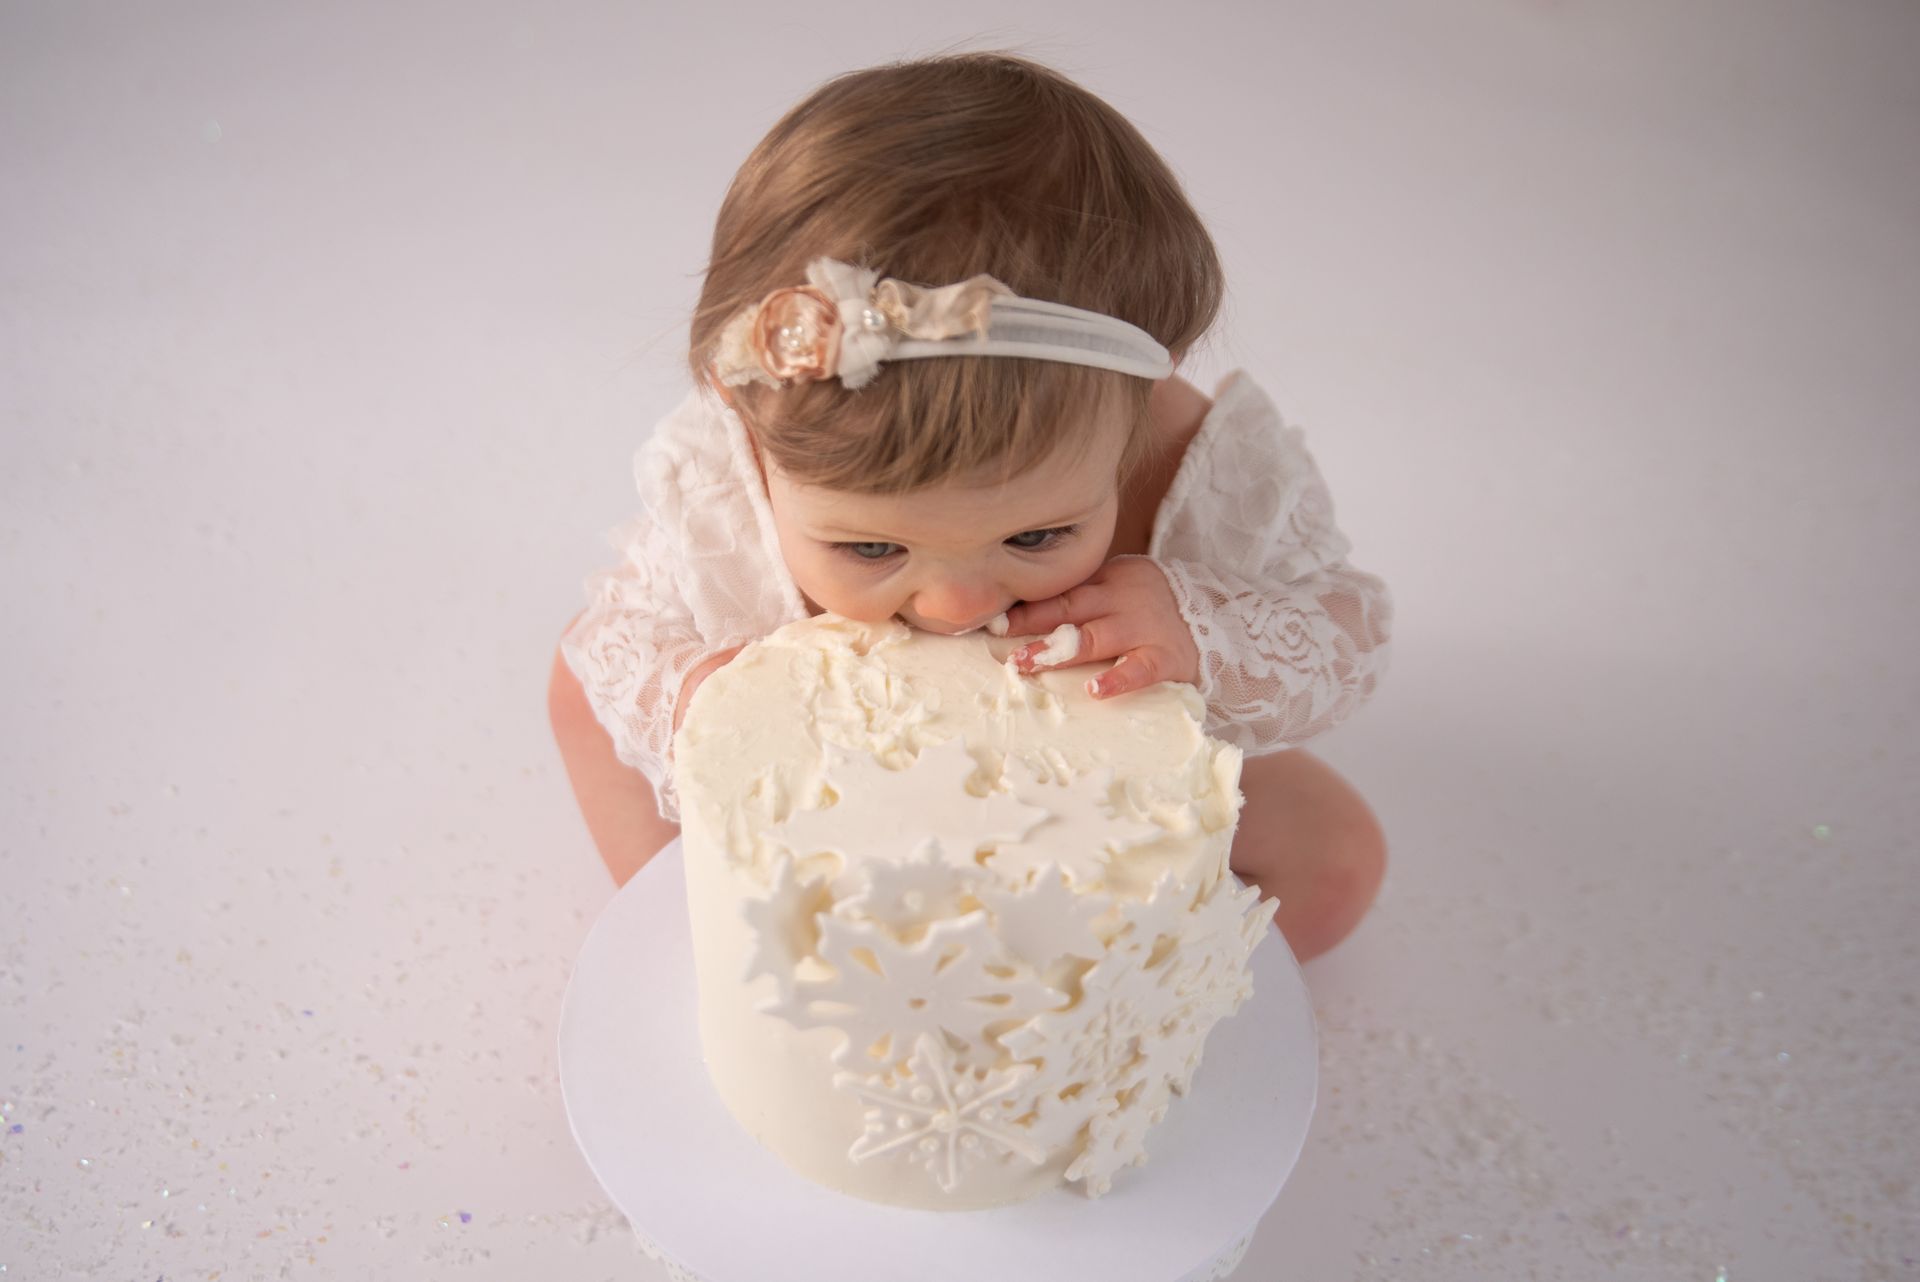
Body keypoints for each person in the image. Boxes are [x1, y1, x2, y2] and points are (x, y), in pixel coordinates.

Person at [547, 50, 1394, 962]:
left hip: (1087, 771)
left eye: (1037, 535)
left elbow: (1344, 625)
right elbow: (618, 633)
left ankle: (1089, 983)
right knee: (584, 697)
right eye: (873, 549)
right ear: (748, 426)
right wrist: (692, 699)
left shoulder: (1202, 466)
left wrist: (1202, 631)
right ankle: (721, 948)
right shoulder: (734, 469)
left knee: (1336, 862)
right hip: (836, 765)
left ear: (1139, 407)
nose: (957, 606)